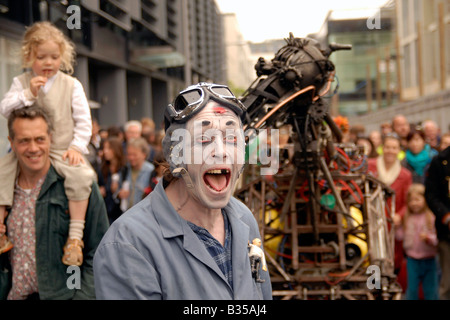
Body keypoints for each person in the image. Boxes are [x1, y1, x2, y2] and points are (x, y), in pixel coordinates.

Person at [93, 82, 272, 299]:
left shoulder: (244, 219)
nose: (221, 151)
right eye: (204, 139)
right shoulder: (128, 244)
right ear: (177, 154)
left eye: (232, 138)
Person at [0, 21, 96, 267]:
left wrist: (76, 147)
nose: (48, 62)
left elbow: (84, 121)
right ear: (28, 56)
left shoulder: (71, 84)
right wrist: (27, 94)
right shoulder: (21, 82)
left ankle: (75, 237)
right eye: (41, 57)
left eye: (54, 57)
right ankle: (0, 230)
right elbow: (4, 109)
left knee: (82, 176)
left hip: (62, 149)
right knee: (2, 171)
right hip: (27, 151)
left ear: (62, 57)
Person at [0, 106, 108, 300]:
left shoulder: (79, 187)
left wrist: (81, 297)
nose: (33, 148)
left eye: (39, 139)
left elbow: (100, 251)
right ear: (12, 143)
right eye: (24, 141)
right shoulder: (3, 190)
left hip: (64, 294)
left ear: (51, 138)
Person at [367, 133, 413, 291]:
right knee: (372, 255)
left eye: (394, 148)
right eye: (387, 147)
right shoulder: (370, 166)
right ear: (381, 148)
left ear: (399, 150)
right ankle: (374, 289)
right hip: (371, 221)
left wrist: (399, 215)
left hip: (392, 224)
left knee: (394, 257)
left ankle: (389, 288)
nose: (390, 151)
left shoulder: (405, 175)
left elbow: (408, 201)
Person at [395, 184, 439, 300]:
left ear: (425, 200)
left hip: (429, 260)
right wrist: (397, 227)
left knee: (431, 289)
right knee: (412, 289)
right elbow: (400, 237)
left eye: (417, 199)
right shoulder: (407, 218)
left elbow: (437, 239)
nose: (414, 203)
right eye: (411, 200)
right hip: (412, 260)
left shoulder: (431, 217)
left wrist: (429, 238)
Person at [424, 143, 450, 300]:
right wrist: (446, 216)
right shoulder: (440, 161)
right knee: (447, 283)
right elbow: (431, 195)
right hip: (447, 233)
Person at [117, 137, 154, 210]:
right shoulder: (125, 169)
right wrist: (119, 193)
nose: (131, 158)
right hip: (126, 214)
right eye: (129, 154)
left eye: (134, 155)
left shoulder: (151, 171)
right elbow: (118, 190)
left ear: (144, 154)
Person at [97, 137, 127, 225]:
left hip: (120, 211)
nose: (105, 151)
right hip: (105, 210)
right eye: (104, 148)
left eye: (108, 148)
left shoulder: (124, 168)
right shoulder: (102, 168)